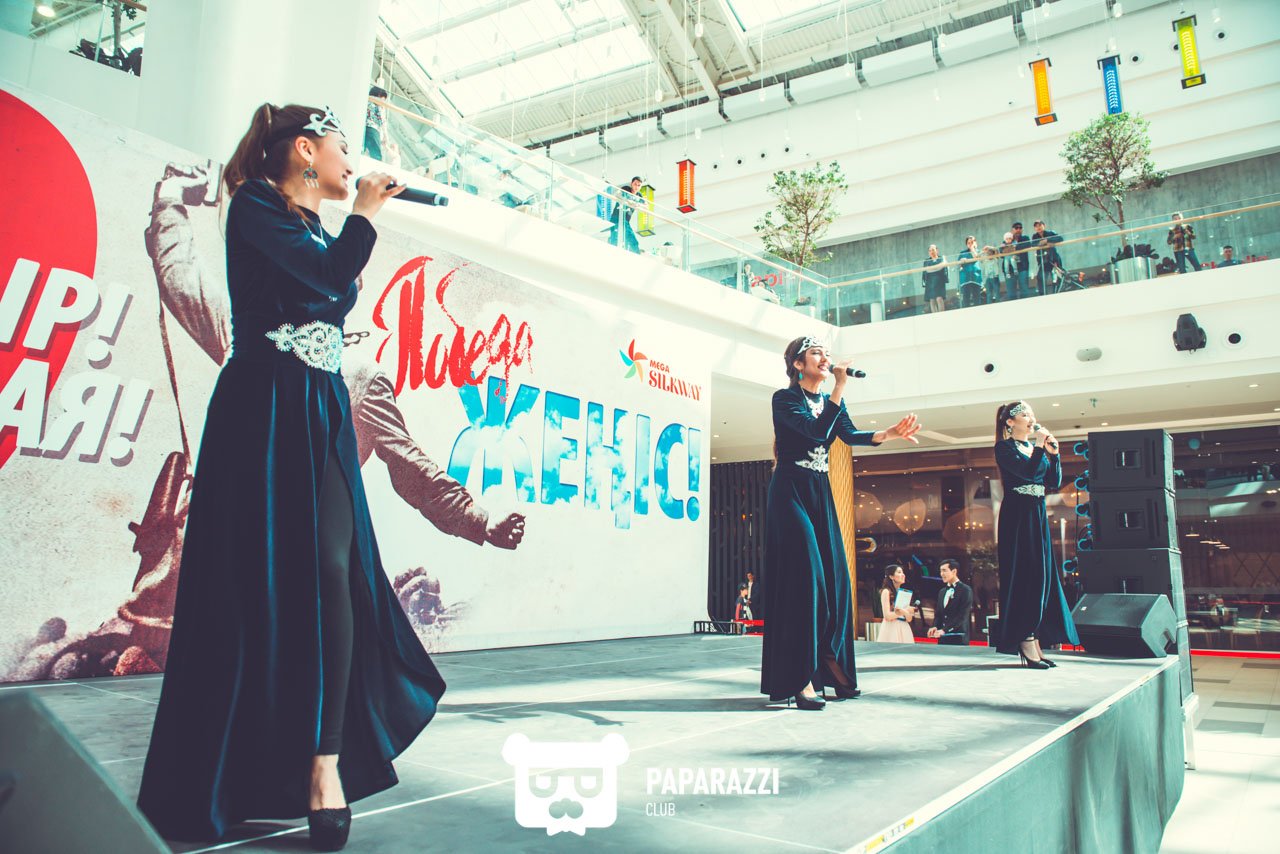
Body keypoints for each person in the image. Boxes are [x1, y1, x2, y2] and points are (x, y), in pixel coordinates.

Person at [136, 103, 431, 849]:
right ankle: (234, 767)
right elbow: (331, 279)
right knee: (249, 583)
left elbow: (332, 284)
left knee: (335, 573)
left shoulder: (312, 228)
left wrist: (352, 226)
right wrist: (365, 213)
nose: (350, 162)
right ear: (304, 149)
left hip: (321, 410)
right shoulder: (255, 209)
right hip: (262, 411)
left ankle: (324, 764)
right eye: (341, 147)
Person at [760, 337, 921, 709]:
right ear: (798, 364)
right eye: (816, 353)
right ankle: (800, 679)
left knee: (835, 581)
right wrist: (840, 385)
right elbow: (816, 432)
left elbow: (847, 434)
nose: (825, 358)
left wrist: (887, 434)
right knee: (806, 581)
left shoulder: (831, 400)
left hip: (820, 490)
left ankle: (832, 669)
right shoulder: (784, 399)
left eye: (826, 354)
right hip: (791, 493)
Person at [993, 401, 1079, 668]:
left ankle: (1036, 639)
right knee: (1025, 575)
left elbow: (1052, 481)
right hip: (1018, 517)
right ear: (1010, 422)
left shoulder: (1033, 449)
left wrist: (1054, 455)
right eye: (1024, 415)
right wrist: (1041, 447)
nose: (1031, 418)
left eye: (1031, 414)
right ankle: (1025, 639)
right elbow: (1028, 473)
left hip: (1038, 513)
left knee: (1043, 575)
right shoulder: (1004, 448)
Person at [928, 559, 973, 646]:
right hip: (942, 639)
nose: (942, 574)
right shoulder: (942, 592)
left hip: (958, 638)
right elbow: (939, 614)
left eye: (944, 570)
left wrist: (944, 630)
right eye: (940, 571)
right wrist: (934, 626)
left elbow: (962, 616)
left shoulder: (966, 590)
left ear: (954, 571)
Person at [876, 565, 916, 643]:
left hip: (904, 627)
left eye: (903, 572)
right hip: (891, 628)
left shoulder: (903, 593)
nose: (903, 575)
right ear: (891, 576)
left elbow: (909, 619)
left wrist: (908, 612)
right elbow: (887, 616)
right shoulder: (886, 592)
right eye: (899, 572)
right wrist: (904, 611)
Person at [609, 176, 644, 254]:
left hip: (625, 221)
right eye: (635, 184)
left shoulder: (639, 196)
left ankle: (636, 255)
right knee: (615, 238)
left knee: (632, 240)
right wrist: (628, 201)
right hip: (616, 218)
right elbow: (617, 194)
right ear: (631, 184)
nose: (636, 187)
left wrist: (637, 204)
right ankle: (612, 253)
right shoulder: (626, 189)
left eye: (639, 185)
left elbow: (646, 205)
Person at [1032, 220, 1065, 292]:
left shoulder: (1050, 233)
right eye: (1036, 226)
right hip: (1043, 260)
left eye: (1040, 225)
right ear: (1034, 228)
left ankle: (1057, 293)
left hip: (1054, 259)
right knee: (1040, 278)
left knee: (1057, 278)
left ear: (1044, 226)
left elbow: (1060, 238)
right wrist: (1039, 243)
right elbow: (1033, 244)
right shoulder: (1034, 236)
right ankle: (1042, 295)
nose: (1038, 227)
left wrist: (1047, 240)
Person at [957, 236, 985, 308]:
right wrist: (961, 261)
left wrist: (972, 249)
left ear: (975, 243)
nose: (970, 244)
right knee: (966, 299)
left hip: (976, 277)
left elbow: (976, 257)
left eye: (972, 242)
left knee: (977, 299)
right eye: (968, 243)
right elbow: (958, 265)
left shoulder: (979, 251)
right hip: (965, 279)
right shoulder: (962, 253)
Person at [1008, 222, 1032, 300]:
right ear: (1012, 230)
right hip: (1010, 269)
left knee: (1024, 291)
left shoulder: (1025, 238)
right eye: (1016, 228)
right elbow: (1002, 250)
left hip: (1023, 267)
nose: (1018, 229)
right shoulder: (1008, 239)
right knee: (1011, 294)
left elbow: (1028, 244)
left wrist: (1013, 248)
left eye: (1020, 228)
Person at [922, 244, 948, 313]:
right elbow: (928, 270)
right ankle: (935, 316)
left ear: (937, 250)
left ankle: (941, 315)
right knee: (932, 300)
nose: (931, 252)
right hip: (930, 282)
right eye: (930, 251)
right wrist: (939, 266)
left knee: (939, 298)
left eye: (933, 250)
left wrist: (940, 266)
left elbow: (944, 265)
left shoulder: (941, 258)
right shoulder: (926, 261)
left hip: (939, 281)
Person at [365, 86, 388, 161]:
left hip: (363, 128)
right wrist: (385, 135)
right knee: (376, 156)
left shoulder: (366, 100)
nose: (384, 101)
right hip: (373, 130)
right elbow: (382, 119)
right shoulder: (379, 104)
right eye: (384, 98)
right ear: (379, 95)